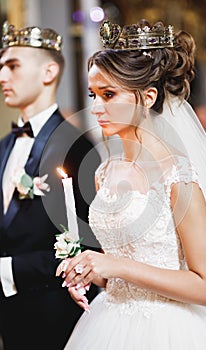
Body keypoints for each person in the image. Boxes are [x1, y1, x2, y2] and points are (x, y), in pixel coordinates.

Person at [59, 20, 206, 349]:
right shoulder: (105, 172)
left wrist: (116, 265)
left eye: (109, 95)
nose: (96, 107)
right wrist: (90, 269)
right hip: (108, 323)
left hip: (169, 330)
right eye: (93, 94)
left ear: (148, 97)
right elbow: (119, 269)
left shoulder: (178, 176)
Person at [0, 22, 100, 350]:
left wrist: (10, 269)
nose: (2, 76)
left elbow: (91, 246)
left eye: (12, 66)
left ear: (48, 71)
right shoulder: (3, 146)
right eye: (1, 66)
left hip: (57, 315)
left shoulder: (77, 147)